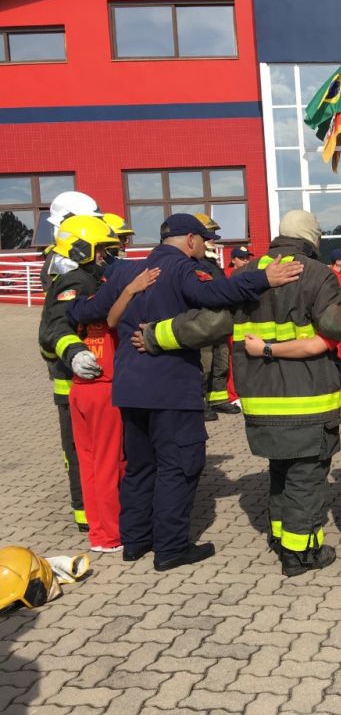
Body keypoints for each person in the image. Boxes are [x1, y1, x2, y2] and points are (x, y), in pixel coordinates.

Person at [139, 210, 341, 577]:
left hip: (261, 400)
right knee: (306, 474)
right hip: (308, 397)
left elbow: (211, 323)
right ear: (312, 240)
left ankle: (280, 535)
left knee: (281, 469)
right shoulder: (317, 275)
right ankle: (301, 554)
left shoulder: (246, 275)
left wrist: (156, 335)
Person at [71, 212, 304, 572]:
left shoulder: (124, 271)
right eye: (203, 240)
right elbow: (215, 293)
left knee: (139, 467)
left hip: (130, 389)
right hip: (170, 387)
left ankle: (135, 541)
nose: (204, 246)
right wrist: (264, 278)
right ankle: (171, 548)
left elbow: (89, 310)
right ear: (191, 240)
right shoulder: (181, 269)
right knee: (178, 467)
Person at [41, 215, 159, 552]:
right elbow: (57, 328)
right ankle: (110, 533)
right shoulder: (77, 283)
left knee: (92, 464)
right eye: (103, 250)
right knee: (110, 463)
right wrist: (76, 351)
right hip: (99, 385)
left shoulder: (83, 279)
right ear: (83, 250)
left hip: (83, 387)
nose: (108, 256)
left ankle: (100, 533)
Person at [37, 190, 101, 531]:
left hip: (86, 371)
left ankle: (92, 507)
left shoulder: (68, 263)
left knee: (89, 447)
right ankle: (84, 511)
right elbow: (55, 326)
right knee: (77, 448)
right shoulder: (65, 268)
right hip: (70, 374)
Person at [193, 214, 239, 419]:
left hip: (219, 319)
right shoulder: (192, 261)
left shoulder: (210, 260)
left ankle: (217, 399)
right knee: (204, 363)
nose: (213, 239)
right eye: (209, 235)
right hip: (203, 319)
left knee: (220, 360)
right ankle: (199, 403)